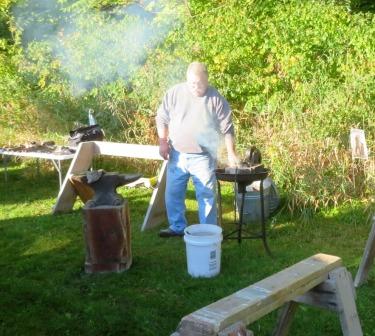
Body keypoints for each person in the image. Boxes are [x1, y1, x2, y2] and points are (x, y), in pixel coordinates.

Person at [155, 62, 239, 237]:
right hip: (177, 154)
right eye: (192, 83)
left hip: (203, 157)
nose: (195, 87)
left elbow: (227, 128)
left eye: (199, 84)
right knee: (173, 194)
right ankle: (177, 227)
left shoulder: (215, 98)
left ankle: (208, 231)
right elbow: (161, 117)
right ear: (187, 80)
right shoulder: (175, 93)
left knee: (206, 196)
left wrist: (231, 153)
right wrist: (163, 142)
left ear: (207, 79)